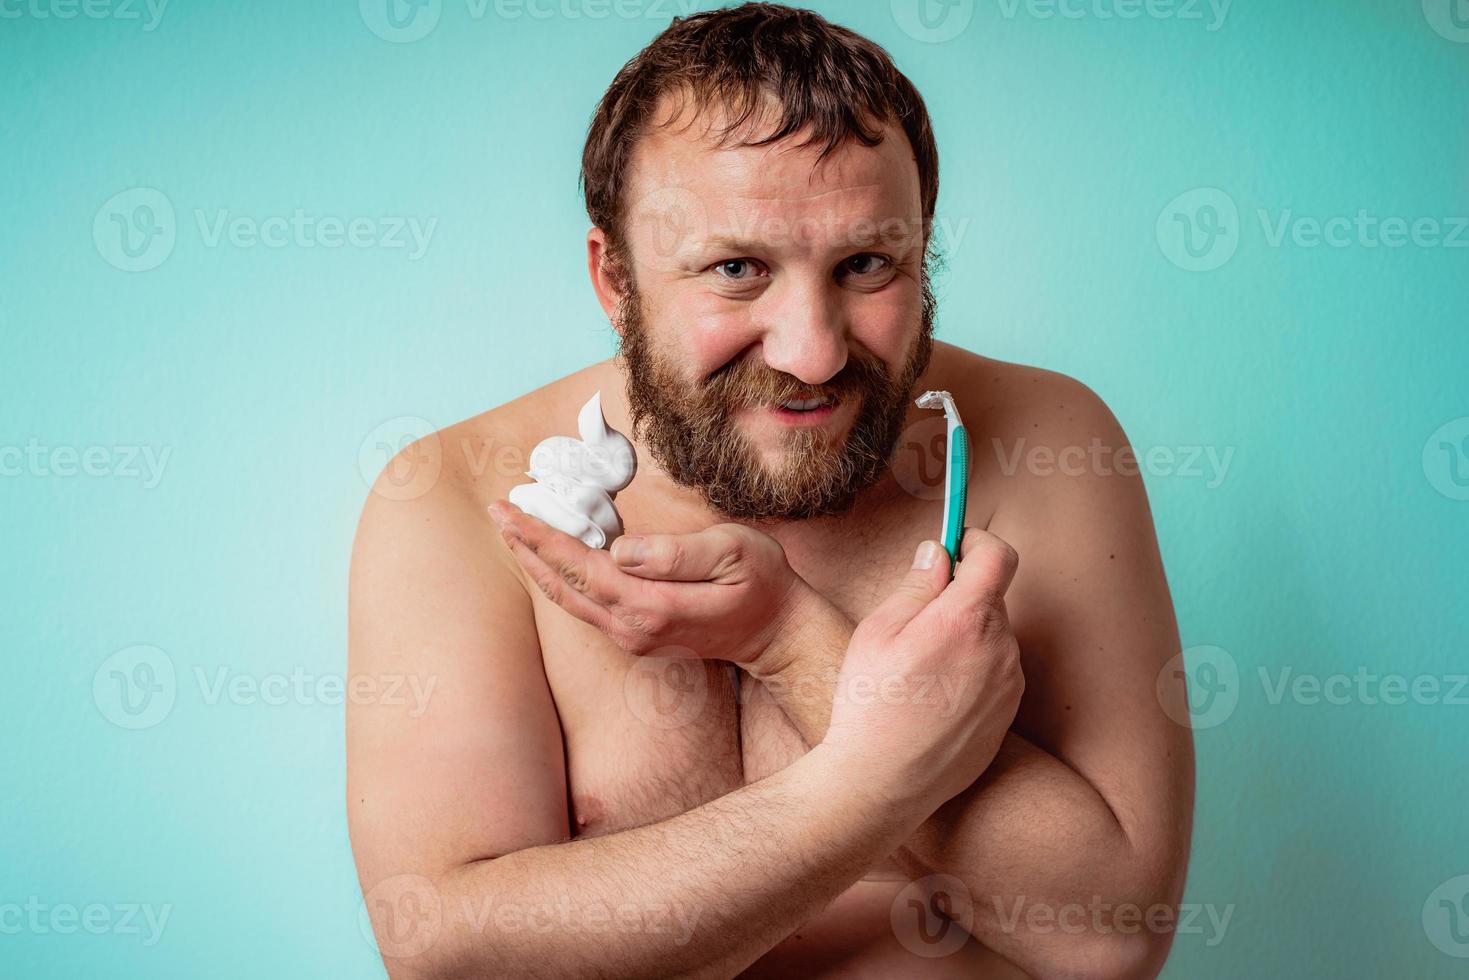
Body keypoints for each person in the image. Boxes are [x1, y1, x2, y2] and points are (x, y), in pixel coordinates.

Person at [347, 4, 1193, 977]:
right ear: (613, 280)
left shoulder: (1043, 440)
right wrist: (872, 779)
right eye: (736, 269)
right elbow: (449, 953)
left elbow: (1108, 933)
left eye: (866, 264)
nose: (812, 351)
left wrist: (786, 637)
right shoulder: (452, 493)